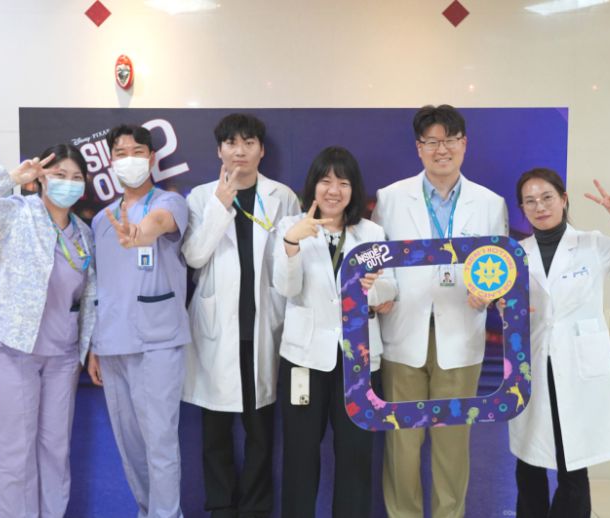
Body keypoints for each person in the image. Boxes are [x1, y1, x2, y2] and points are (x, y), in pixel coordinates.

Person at [508, 168, 610, 518]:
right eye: (530, 201)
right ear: (522, 209)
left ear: (563, 199)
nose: (540, 207)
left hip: (576, 366)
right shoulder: (516, 255)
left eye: (547, 197)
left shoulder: (592, 244)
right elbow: (503, 305)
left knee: (573, 460)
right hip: (532, 366)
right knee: (529, 462)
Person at [371, 104, 508, 518]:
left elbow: (500, 268)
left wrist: (489, 294)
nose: (441, 149)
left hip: (461, 335)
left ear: (464, 144)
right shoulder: (391, 198)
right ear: (419, 148)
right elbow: (379, 266)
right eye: (432, 141)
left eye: (449, 140)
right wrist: (382, 293)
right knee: (402, 445)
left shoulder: (490, 203)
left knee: (452, 447)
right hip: (403, 334)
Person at [0, 145, 96, 518]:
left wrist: (87, 347)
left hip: (62, 356)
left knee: (55, 450)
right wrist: (12, 178)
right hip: (11, 351)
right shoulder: (17, 212)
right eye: (59, 175)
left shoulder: (84, 233)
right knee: (16, 454)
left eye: (76, 177)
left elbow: (89, 297)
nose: (68, 183)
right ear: (42, 178)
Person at [182, 113, 300, 518]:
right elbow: (194, 256)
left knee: (261, 431)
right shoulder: (201, 197)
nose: (240, 151)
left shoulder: (283, 196)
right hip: (217, 328)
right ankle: (220, 507)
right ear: (219, 150)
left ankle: (255, 509)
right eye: (231, 143)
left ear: (261, 150)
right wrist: (220, 206)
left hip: (262, 327)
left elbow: (292, 260)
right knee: (215, 430)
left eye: (249, 143)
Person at [273, 146, 397, 518]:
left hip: (358, 361)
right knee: (299, 455)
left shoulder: (371, 231)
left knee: (356, 456)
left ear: (353, 190)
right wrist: (292, 244)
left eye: (343, 183)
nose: (333, 190)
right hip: (304, 359)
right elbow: (286, 288)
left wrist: (372, 288)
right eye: (326, 181)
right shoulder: (291, 226)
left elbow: (389, 291)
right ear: (313, 185)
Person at [86, 124, 190, 518]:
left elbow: (160, 223)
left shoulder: (170, 202)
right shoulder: (101, 221)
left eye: (137, 151)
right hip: (112, 344)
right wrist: (95, 346)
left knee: (160, 445)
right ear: (110, 161)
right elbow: (100, 286)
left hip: (157, 343)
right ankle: (148, 511)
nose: (129, 159)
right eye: (120, 153)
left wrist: (139, 232)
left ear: (151, 157)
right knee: (131, 449)